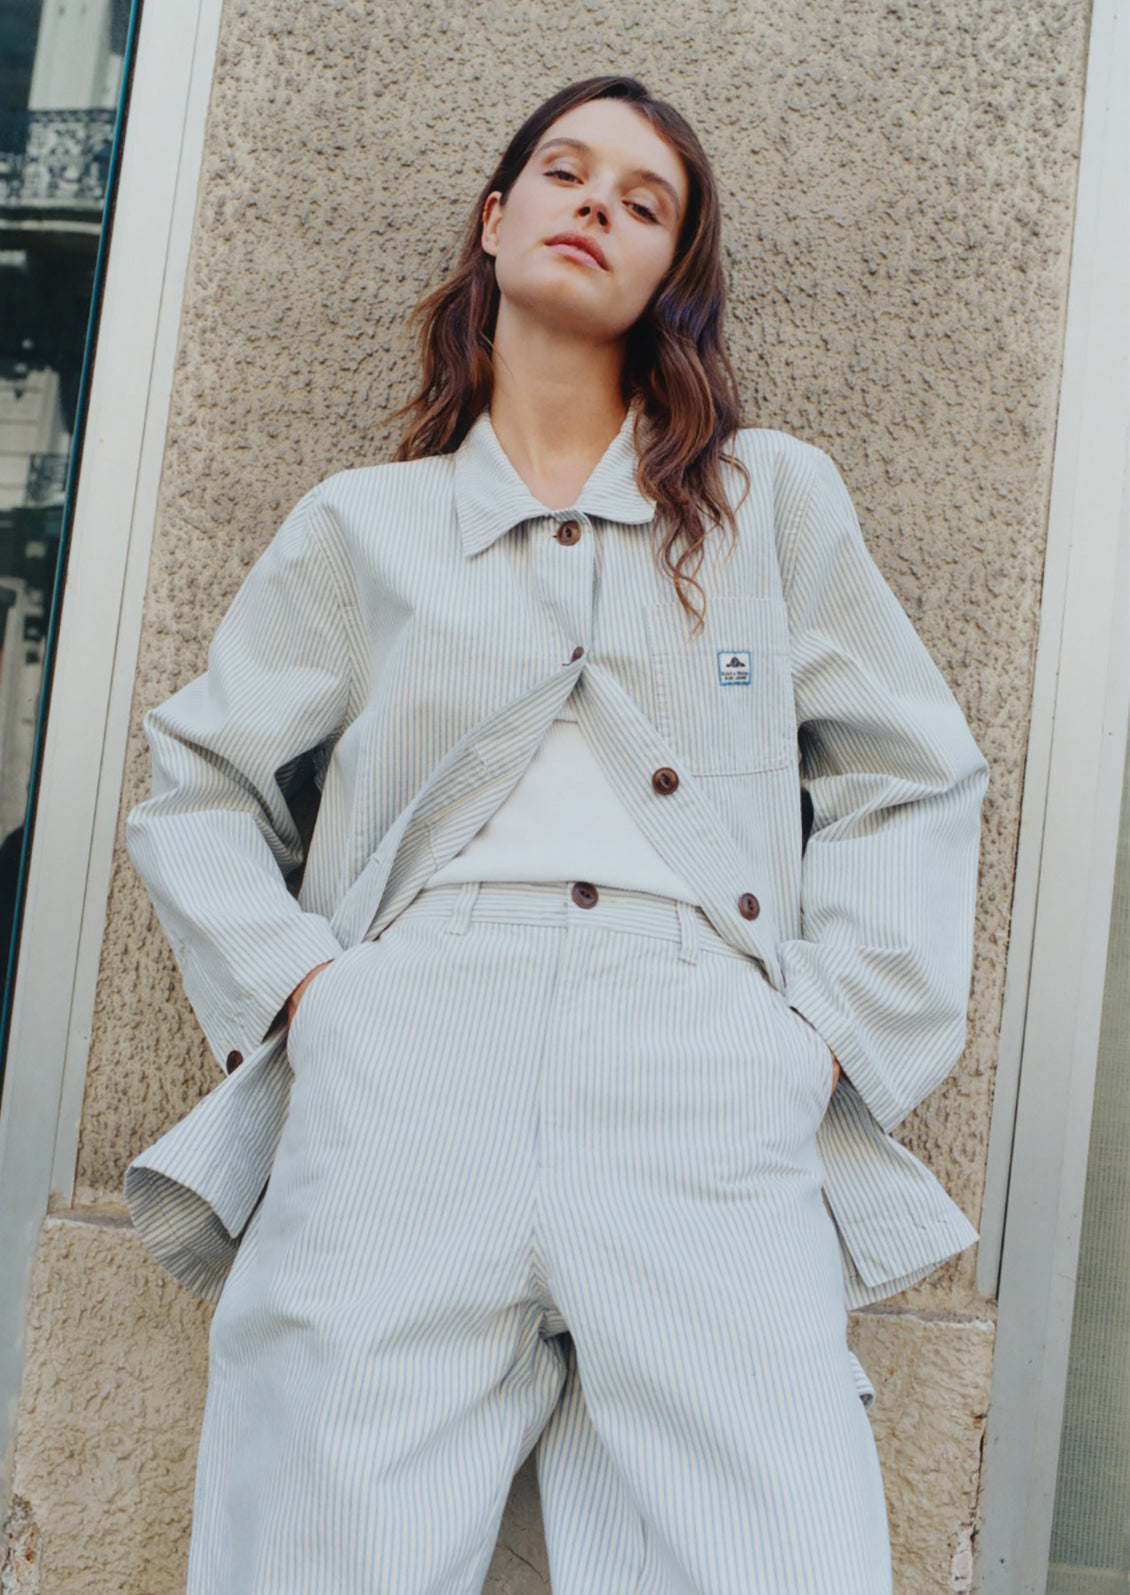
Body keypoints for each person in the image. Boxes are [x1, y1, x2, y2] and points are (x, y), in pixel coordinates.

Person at [123, 74, 989, 1595]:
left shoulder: (765, 504)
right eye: (566, 174)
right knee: (324, 1539)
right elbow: (195, 781)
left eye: (642, 202)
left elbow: (904, 773)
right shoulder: (361, 525)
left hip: (700, 1053)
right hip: (407, 1054)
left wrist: (822, 1037)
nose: (596, 204)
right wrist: (314, 999)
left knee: (779, 1543)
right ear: (496, 216)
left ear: (670, 276)